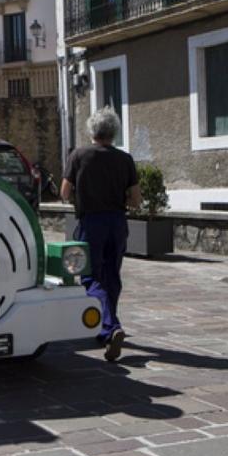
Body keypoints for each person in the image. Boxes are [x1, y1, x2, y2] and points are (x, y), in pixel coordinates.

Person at [60, 107, 140, 362]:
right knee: (111, 276)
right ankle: (107, 328)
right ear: (114, 132)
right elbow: (136, 199)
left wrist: (80, 195)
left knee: (90, 276)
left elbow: (64, 192)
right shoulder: (125, 159)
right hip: (117, 222)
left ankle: (110, 326)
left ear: (91, 131)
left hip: (90, 222)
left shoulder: (78, 155)